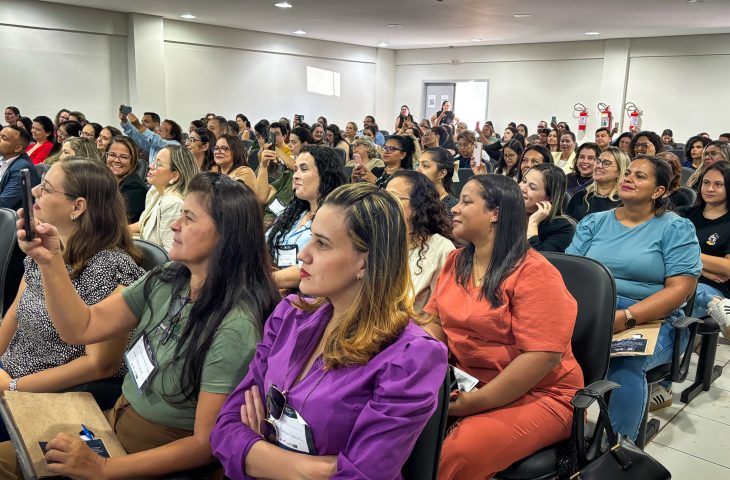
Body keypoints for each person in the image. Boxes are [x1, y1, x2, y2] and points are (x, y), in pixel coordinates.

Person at [11, 172, 280, 479]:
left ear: (225, 235)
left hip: (150, 456)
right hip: (113, 424)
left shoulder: (235, 327)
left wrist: (103, 468)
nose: (175, 225)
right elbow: (82, 327)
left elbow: (206, 444)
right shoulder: (168, 278)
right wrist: (50, 261)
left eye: (189, 218)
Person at [211, 182, 448, 480]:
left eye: (322, 244)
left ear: (366, 262)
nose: (303, 255)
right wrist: (319, 468)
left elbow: (362, 475)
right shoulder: (289, 315)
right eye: (310, 238)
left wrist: (257, 450)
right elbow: (225, 429)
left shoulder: (411, 356)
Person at [422, 174, 583, 478]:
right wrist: (423, 365)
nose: (454, 208)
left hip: (541, 393)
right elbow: (435, 321)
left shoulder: (535, 273)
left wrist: (472, 403)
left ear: (495, 213)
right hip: (467, 381)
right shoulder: (456, 261)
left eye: (466, 202)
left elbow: (541, 356)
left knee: (459, 453)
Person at [0, 159, 144, 443]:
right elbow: (15, 313)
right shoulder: (44, 249)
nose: (35, 192)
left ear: (77, 207)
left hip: (50, 393)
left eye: (46, 188)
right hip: (11, 375)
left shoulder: (111, 267)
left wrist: (14, 387)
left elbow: (100, 364)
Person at [566, 155, 701, 440]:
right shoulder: (594, 222)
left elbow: (680, 289)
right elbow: (572, 274)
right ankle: (554, 429)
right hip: (593, 312)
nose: (628, 178)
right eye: (627, 173)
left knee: (625, 362)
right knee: (542, 349)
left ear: (658, 191)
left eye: (640, 176)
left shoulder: (674, 228)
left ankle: (617, 450)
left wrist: (626, 318)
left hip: (652, 319)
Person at [268, 146, 347, 288]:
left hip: (306, 294)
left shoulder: (337, 219)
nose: (295, 176)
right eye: (295, 169)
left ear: (325, 175)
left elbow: (316, 266)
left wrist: (266, 281)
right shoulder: (292, 212)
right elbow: (264, 243)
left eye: (303, 169)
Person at [675, 161, 730, 341]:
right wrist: (703, 268)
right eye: (706, 183)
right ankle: (712, 304)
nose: (710, 188)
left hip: (713, 286)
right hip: (677, 276)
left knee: (677, 301)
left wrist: (689, 254)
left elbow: (727, 268)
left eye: (718, 184)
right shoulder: (685, 214)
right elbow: (665, 250)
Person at [386, 171, 454, 313]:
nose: (385, 203)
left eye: (393, 197)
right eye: (384, 197)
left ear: (418, 205)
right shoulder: (380, 241)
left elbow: (441, 313)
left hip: (415, 325)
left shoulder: (442, 248)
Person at [130, 145, 199, 252]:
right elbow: (145, 224)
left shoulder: (173, 203)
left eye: (158, 164)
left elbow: (171, 252)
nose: (151, 166)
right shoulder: (155, 191)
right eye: (154, 161)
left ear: (175, 175)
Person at [521, 163, 575, 252]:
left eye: (532, 187)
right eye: (523, 181)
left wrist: (533, 223)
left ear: (550, 198)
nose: (522, 188)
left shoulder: (562, 228)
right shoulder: (507, 211)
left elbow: (539, 258)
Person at [567, 146, 629, 222]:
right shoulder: (580, 197)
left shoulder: (625, 202)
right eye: (598, 161)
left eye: (606, 163)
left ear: (620, 171)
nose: (599, 166)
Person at [104, 136, 146, 223]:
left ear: (133, 160)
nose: (116, 160)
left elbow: (121, 223)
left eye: (123, 157)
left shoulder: (136, 189)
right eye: (112, 155)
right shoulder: (104, 180)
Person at [0, 126, 40, 209]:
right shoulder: (3, 158)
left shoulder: (22, 168)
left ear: (17, 148)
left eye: (4, 138)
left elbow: (3, 203)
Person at [417, 146, 459, 217]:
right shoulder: (415, 200)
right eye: (418, 165)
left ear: (442, 173)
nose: (417, 170)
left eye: (425, 165)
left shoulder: (453, 208)